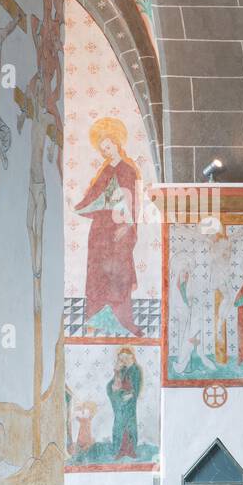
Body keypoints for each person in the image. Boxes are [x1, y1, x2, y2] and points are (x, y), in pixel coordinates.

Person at [76, 118, 142, 335]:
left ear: (117, 143)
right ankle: (95, 321)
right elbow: (93, 196)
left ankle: (121, 322)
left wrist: (128, 225)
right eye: (103, 149)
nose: (106, 151)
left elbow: (132, 201)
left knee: (119, 273)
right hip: (100, 229)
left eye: (109, 146)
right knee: (97, 272)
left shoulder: (127, 169)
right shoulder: (104, 171)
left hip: (118, 227)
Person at [107, 348, 142, 459]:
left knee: (129, 426)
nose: (123, 360)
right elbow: (114, 385)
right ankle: (119, 450)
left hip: (129, 403)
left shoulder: (135, 369)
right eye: (121, 358)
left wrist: (131, 395)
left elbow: (136, 387)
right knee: (119, 425)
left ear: (131, 356)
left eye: (125, 357)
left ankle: (130, 450)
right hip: (121, 403)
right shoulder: (122, 370)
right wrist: (116, 372)